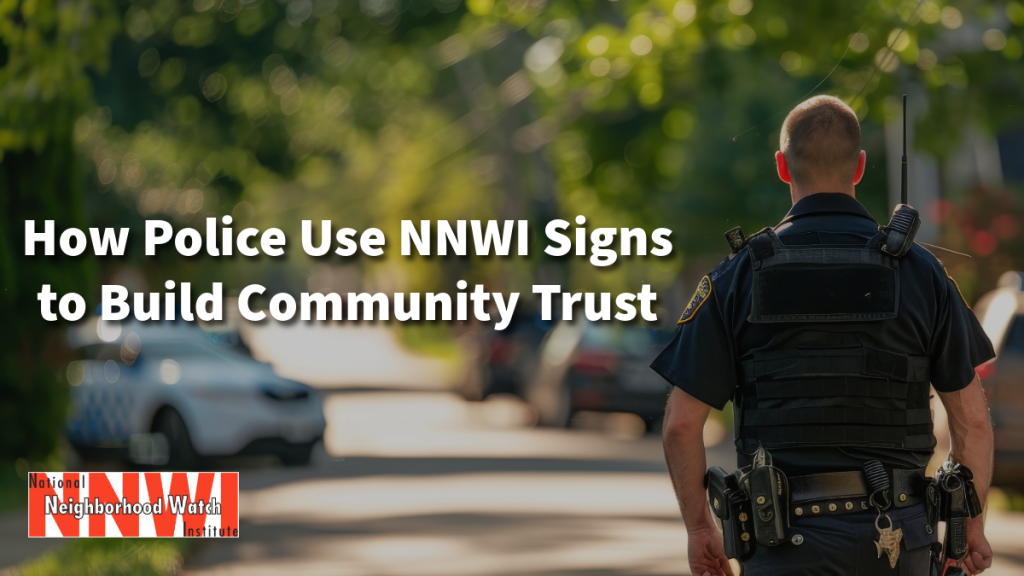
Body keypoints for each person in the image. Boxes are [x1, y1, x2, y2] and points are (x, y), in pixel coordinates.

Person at [652, 95, 995, 576]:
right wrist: (969, 529)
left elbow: (681, 426)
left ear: (781, 167)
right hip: (898, 541)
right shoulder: (922, 273)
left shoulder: (739, 276)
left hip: (785, 542)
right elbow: (972, 423)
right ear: (859, 165)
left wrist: (700, 530)